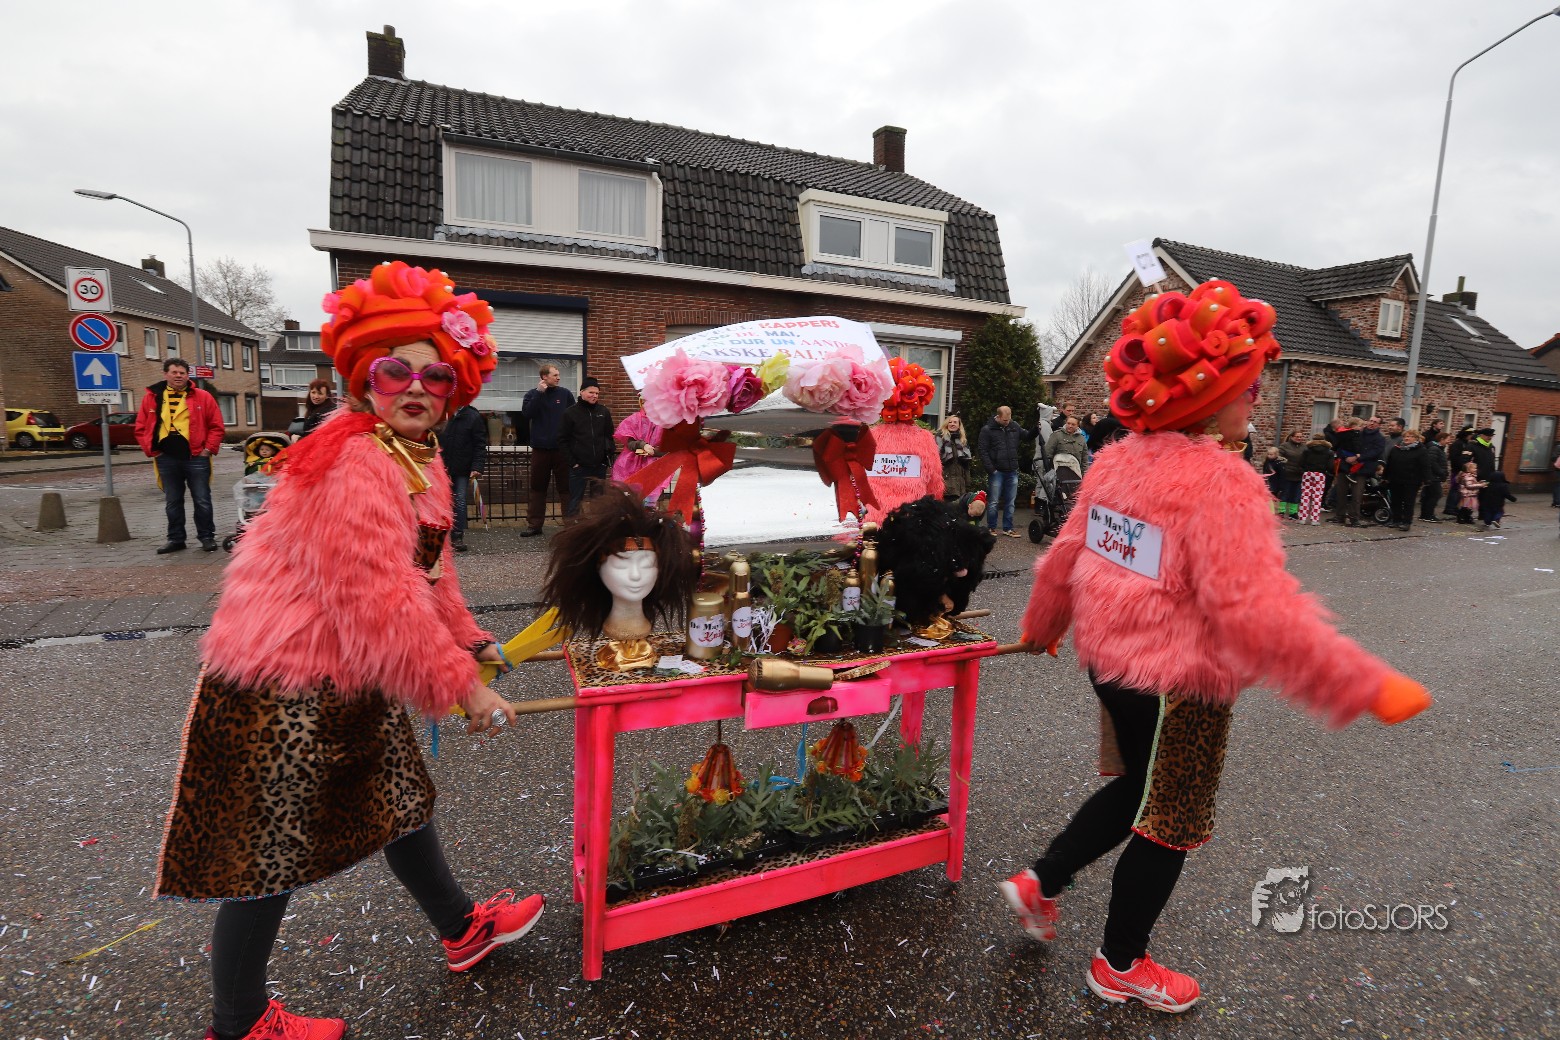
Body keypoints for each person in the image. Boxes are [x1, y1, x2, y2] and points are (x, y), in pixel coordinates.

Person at [1001, 278, 1429, 1014]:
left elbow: (1068, 555)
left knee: (1138, 789)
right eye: (1248, 387)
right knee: (1170, 820)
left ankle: (1043, 881)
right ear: (1209, 396)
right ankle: (1120, 965)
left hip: (1112, 666)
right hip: (1180, 683)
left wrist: (1044, 625)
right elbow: (1255, 612)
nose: (1255, 400)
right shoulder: (1223, 482)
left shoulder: (1115, 461)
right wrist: (1359, 682)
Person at [154, 262, 542, 1040]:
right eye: (396, 371)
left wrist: (469, 640)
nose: (416, 387)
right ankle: (239, 1022)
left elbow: (429, 571)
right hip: (284, 680)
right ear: (366, 380)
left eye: (435, 374)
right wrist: (461, 686)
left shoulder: (419, 455)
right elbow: (377, 596)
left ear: (454, 389)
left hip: (354, 671)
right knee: (269, 850)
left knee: (399, 803)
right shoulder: (354, 457)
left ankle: (461, 929)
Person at [134, 357, 226, 554]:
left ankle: (207, 537)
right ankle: (176, 539)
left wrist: (208, 450)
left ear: (187, 375)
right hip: (166, 457)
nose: (178, 376)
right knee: (173, 501)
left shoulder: (203, 397)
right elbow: (141, 426)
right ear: (165, 374)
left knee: (202, 499)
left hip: (196, 456)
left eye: (182, 373)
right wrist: (152, 450)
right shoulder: (152, 397)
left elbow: (216, 426)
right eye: (174, 372)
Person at [520, 364, 575, 536]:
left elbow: (574, 418)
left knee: (566, 488)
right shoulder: (532, 394)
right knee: (537, 488)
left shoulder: (565, 394)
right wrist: (539, 393)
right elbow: (527, 414)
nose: (559, 378)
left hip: (561, 450)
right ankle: (534, 525)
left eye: (559, 375)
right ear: (544, 377)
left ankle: (571, 525)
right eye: (555, 375)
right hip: (540, 449)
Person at [979, 405, 1037, 538]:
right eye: (1005, 420)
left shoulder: (1014, 426)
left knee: (1010, 502)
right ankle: (991, 527)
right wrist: (991, 469)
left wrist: (1037, 428)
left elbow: (1027, 436)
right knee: (994, 501)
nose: (1007, 422)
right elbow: (983, 450)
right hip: (997, 471)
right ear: (998, 417)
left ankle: (1008, 528)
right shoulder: (987, 430)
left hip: (1012, 470)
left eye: (1009, 419)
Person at [560, 376, 614, 516]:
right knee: (575, 501)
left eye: (597, 393)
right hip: (579, 467)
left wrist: (606, 459)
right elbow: (562, 440)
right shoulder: (570, 413)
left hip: (599, 466)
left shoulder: (603, 412)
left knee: (598, 502)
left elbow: (609, 436)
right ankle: (573, 527)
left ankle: (597, 527)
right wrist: (573, 463)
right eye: (591, 392)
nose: (594, 395)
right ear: (582, 392)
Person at [441, 402, 488, 552]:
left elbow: (480, 444)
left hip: (462, 467)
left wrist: (477, 467)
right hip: (441, 466)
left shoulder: (473, 417)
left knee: (459, 500)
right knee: (441, 501)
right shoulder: (442, 413)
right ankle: (440, 534)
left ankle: (457, 536)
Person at [611, 400, 667, 501]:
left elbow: (670, 448)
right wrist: (642, 445)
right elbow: (629, 443)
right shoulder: (633, 420)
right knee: (629, 499)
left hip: (653, 467)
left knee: (649, 500)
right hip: (630, 465)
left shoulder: (665, 423)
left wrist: (654, 452)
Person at [1382, 429, 1428, 531]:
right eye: (1405, 436)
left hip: (1411, 481)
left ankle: (1406, 522)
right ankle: (1396, 520)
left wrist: (1427, 479)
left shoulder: (1421, 450)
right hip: (1396, 479)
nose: (1407, 438)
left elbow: (1425, 466)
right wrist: (1385, 476)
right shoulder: (1396, 449)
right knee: (1396, 501)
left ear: (1416, 438)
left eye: (1410, 436)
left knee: (1408, 502)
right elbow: (1389, 464)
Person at [1330, 417, 1365, 526]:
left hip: (1355, 467)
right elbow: (1338, 448)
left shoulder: (1343, 434)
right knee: (1343, 492)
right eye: (1360, 425)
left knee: (1355, 494)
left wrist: (1357, 457)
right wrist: (1351, 457)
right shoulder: (1354, 435)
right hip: (1349, 466)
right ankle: (1343, 516)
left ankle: (1352, 517)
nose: (1362, 428)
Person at [1297, 430, 1334, 525]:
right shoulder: (1329, 452)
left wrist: (1304, 471)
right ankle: (1314, 519)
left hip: (1308, 473)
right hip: (1320, 474)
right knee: (1317, 497)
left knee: (1305, 496)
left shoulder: (1307, 450)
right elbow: (1330, 466)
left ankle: (1302, 518)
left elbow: (1301, 463)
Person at [936, 415, 973, 498]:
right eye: (950, 422)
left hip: (960, 482)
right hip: (945, 480)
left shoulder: (962, 441)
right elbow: (935, 460)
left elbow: (966, 465)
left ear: (959, 425)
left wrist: (967, 482)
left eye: (955, 422)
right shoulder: (940, 438)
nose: (952, 424)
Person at [1419, 430, 1450, 523]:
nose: (1449, 441)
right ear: (1442, 439)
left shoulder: (1438, 449)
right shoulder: (1434, 449)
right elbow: (1432, 463)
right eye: (1448, 439)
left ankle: (1425, 515)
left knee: (1429, 496)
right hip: (1433, 477)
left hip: (1434, 476)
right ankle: (1428, 515)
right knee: (1435, 495)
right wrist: (1441, 472)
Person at [1443, 427, 1475, 515]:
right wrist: (1461, 468)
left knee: (1460, 490)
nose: (1471, 436)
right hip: (1457, 471)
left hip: (1464, 471)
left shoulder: (1467, 444)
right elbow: (1454, 458)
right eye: (1470, 434)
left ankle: (1454, 507)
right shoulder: (1457, 444)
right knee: (1455, 489)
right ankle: (1450, 508)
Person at [1277, 430, 1306, 518]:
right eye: (1297, 436)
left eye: (1300, 437)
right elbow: (1279, 456)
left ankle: (1293, 512)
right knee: (1285, 493)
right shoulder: (1285, 446)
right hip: (1287, 473)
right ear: (1291, 437)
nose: (1299, 438)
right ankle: (1281, 511)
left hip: (1299, 474)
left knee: (1296, 494)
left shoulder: (1304, 447)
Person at [1454, 460, 1485, 524]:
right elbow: (1469, 486)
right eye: (1474, 468)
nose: (1476, 469)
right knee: (1466, 507)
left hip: (1470, 494)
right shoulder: (1468, 477)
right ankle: (1461, 518)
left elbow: (1472, 483)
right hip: (1467, 494)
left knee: (1469, 507)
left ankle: (1467, 517)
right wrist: (1481, 485)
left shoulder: (1471, 476)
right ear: (1469, 469)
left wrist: (1479, 483)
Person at [1260, 446, 1285, 510]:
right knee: (1267, 498)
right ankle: (1267, 510)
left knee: (1273, 498)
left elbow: (1281, 475)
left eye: (1271, 454)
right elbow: (1264, 472)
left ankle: (1273, 511)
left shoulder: (1279, 463)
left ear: (1276, 454)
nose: (1269, 456)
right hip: (1268, 482)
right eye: (1268, 454)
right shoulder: (1266, 462)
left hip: (1275, 483)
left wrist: (1281, 486)